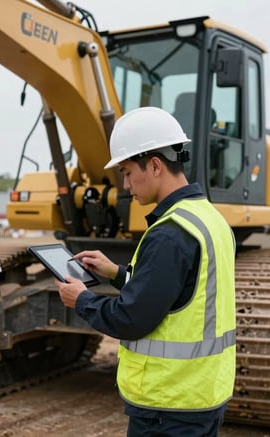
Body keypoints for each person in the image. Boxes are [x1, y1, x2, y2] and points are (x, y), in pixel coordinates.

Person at [55, 107, 236, 437]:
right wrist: (116, 273)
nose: (125, 185)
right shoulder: (208, 218)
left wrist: (82, 300)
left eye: (126, 172)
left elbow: (131, 318)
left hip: (170, 405)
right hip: (204, 395)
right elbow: (183, 294)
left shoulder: (170, 233)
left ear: (154, 165)